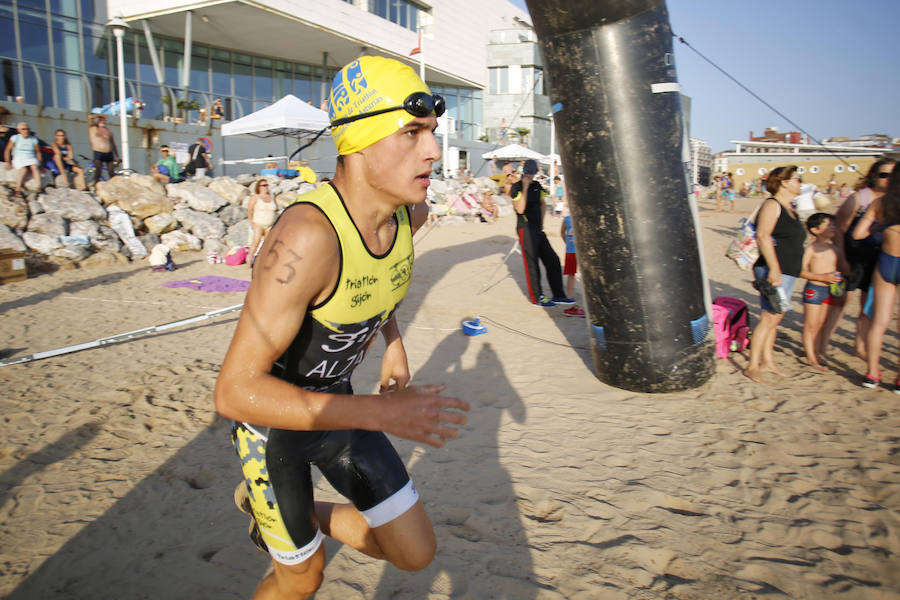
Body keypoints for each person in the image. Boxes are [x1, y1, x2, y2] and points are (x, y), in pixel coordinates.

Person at [214, 56, 470, 600]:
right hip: (272, 428)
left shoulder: (409, 215)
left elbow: (375, 280)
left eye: (431, 133)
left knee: (412, 552)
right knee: (303, 580)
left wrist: (393, 342)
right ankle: (288, 526)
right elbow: (234, 391)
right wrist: (383, 413)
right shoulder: (307, 237)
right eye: (411, 134)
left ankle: (302, 517)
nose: (432, 151)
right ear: (358, 142)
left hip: (337, 406)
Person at [743, 165, 807, 383]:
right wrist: (775, 268)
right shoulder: (772, 205)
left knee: (775, 318)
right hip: (773, 269)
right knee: (769, 317)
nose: (801, 182)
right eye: (798, 179)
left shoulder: (790, 208)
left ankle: (768, 362)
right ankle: (752, 365)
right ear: (784, 182)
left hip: (787, 270)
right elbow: (762, 236)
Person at [832, 158, 896, 359]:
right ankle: (822, 342)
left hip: (880, 259)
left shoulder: (894, 203)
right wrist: (841, 258)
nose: (888, 179)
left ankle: (859, 345)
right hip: (854, 257)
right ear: (873, 176)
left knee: (867, 307)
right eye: (884, 174)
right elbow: (840, 229)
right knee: (841, 301)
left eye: (893, 175)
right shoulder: (860, 198)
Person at [851, 167, 900, 390]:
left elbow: (857, 234)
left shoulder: (880, 204)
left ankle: (871, 373)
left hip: (886, 264)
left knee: (879, 322)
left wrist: (880, 226)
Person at [510, 158, 572, 307]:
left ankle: (558, 295)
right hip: (525, 228)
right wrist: (525, 187)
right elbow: (520, 209)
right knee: (533, 264)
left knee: (553, 260)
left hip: (538, 228)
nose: (530, 176)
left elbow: (543, 204)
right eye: (528, 173)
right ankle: (536, 297)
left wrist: (542, 222)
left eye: (532, 173)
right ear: (524, 172)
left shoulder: (538, 185)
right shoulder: (516, 187)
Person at [799, 213, 847, 371]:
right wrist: (821, 276)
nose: (832, 227)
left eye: (833, 224)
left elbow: (841, 268)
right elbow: (801, 271)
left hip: (829, 289)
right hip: (814, 288)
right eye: (828, 225)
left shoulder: (835, 249)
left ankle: (819, 352)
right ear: (815, 229)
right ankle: (811, 357)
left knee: (821, 324)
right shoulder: (811, 248)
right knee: (811, 325)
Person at [4, 122, 42, 196]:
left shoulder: (33, 139)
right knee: (23, 169)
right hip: (19, 158)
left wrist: (40, 163)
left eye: (27, 129)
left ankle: (38, 187)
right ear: (19, 130)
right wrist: (8, 162)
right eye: (23, 129)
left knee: (34, 167)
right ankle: (17, 188)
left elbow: (38, 152)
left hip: (31, 158)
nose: (26, 131)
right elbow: (7, 150)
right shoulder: (15, 138)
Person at [559, 212, 585, 317]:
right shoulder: (567, 219)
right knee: (571, 274)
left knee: (575, 275)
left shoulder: (582, 218)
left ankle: (572, 300)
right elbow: (562, 232)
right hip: (571, 252)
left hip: (580, 252)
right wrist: (568, 243)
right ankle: (569, 298)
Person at [247, 179, 277, 259]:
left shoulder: (272, 197)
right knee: (256, 243)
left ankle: (262, 260)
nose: (266, 187)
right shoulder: (255, 197)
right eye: (264, 185)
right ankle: (249, 261)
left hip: (270, 224)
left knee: (267, 244)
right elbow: (249, 210)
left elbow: (275, 210)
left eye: (267, 185)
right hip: (258, 223)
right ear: (259, 187)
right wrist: (251, 222)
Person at [88, 114, 119, 187]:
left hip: (109, 153)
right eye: (100, 120)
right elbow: (89, 119)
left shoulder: (109, 131)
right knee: (98, 171)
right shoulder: (93, 128)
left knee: (112, 172)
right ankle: (96, 186)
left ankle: (114, 186)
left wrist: (117, 155)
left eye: (103, 120)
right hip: (98, 152)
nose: (102, 121)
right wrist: (98, 115)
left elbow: (113, 144)